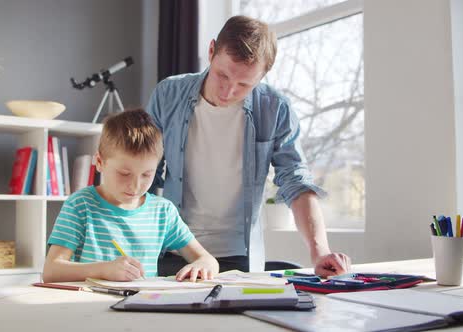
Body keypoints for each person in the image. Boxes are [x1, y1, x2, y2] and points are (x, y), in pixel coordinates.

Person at [146, 15, 351, 277]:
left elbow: (295, 181)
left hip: (239, 257)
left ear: (263, 76)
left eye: (244, 84)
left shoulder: (275, 108)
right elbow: (145, 171)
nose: (228, 92)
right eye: (222, 75)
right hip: (173, 249)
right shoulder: (168, 94)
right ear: (211, 51)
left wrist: (320, 251)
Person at [43, 109, 219, 283]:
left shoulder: (162, 212)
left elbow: (208, 260)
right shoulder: (80, 205)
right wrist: (104, 269)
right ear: (99, 162)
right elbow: (51, 271)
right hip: (91, 307)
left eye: (146, 175)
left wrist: (203, 264)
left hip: (142, 306)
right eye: (124, 173)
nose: (135, 186)